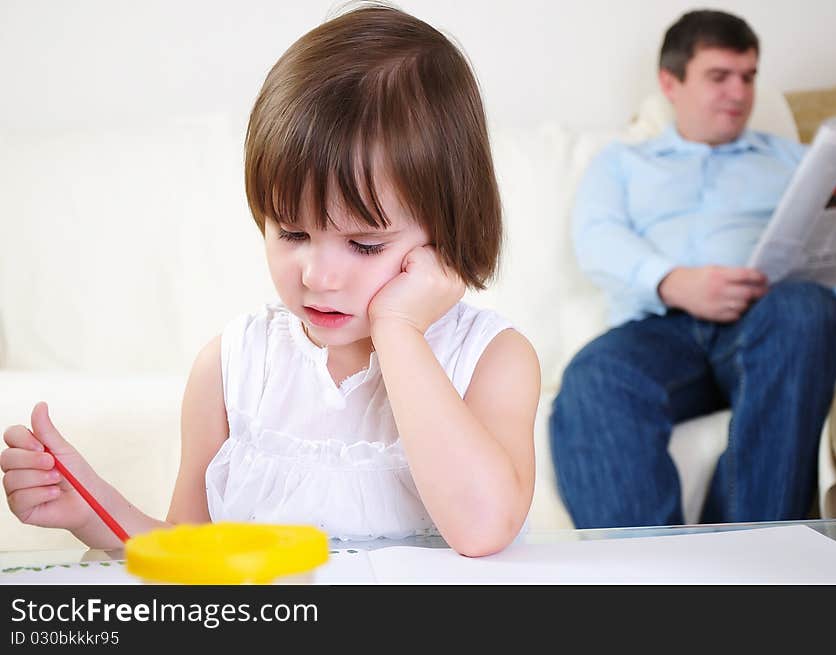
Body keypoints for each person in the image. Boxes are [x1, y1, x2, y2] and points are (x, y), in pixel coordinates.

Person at [0, 5, 540, 557]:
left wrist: (399, 328)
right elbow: (191, 560)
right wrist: (91, 510)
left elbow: (481, 529)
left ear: (447, 229)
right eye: (291, 233)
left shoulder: (492, 361)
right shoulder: (232, 368)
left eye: (365, 244)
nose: (318, 275)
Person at [550, 9, 836, 528]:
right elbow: (598, 239)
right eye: (719, 76)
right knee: (595, 377)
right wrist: (674, 282)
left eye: (748, 77)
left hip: (772, 325)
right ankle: (654, 582)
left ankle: (747, 561)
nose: (739, 93)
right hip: (661, 328)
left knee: (807, 313)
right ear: (670, 82)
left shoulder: (799, 161)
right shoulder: (622, 163)